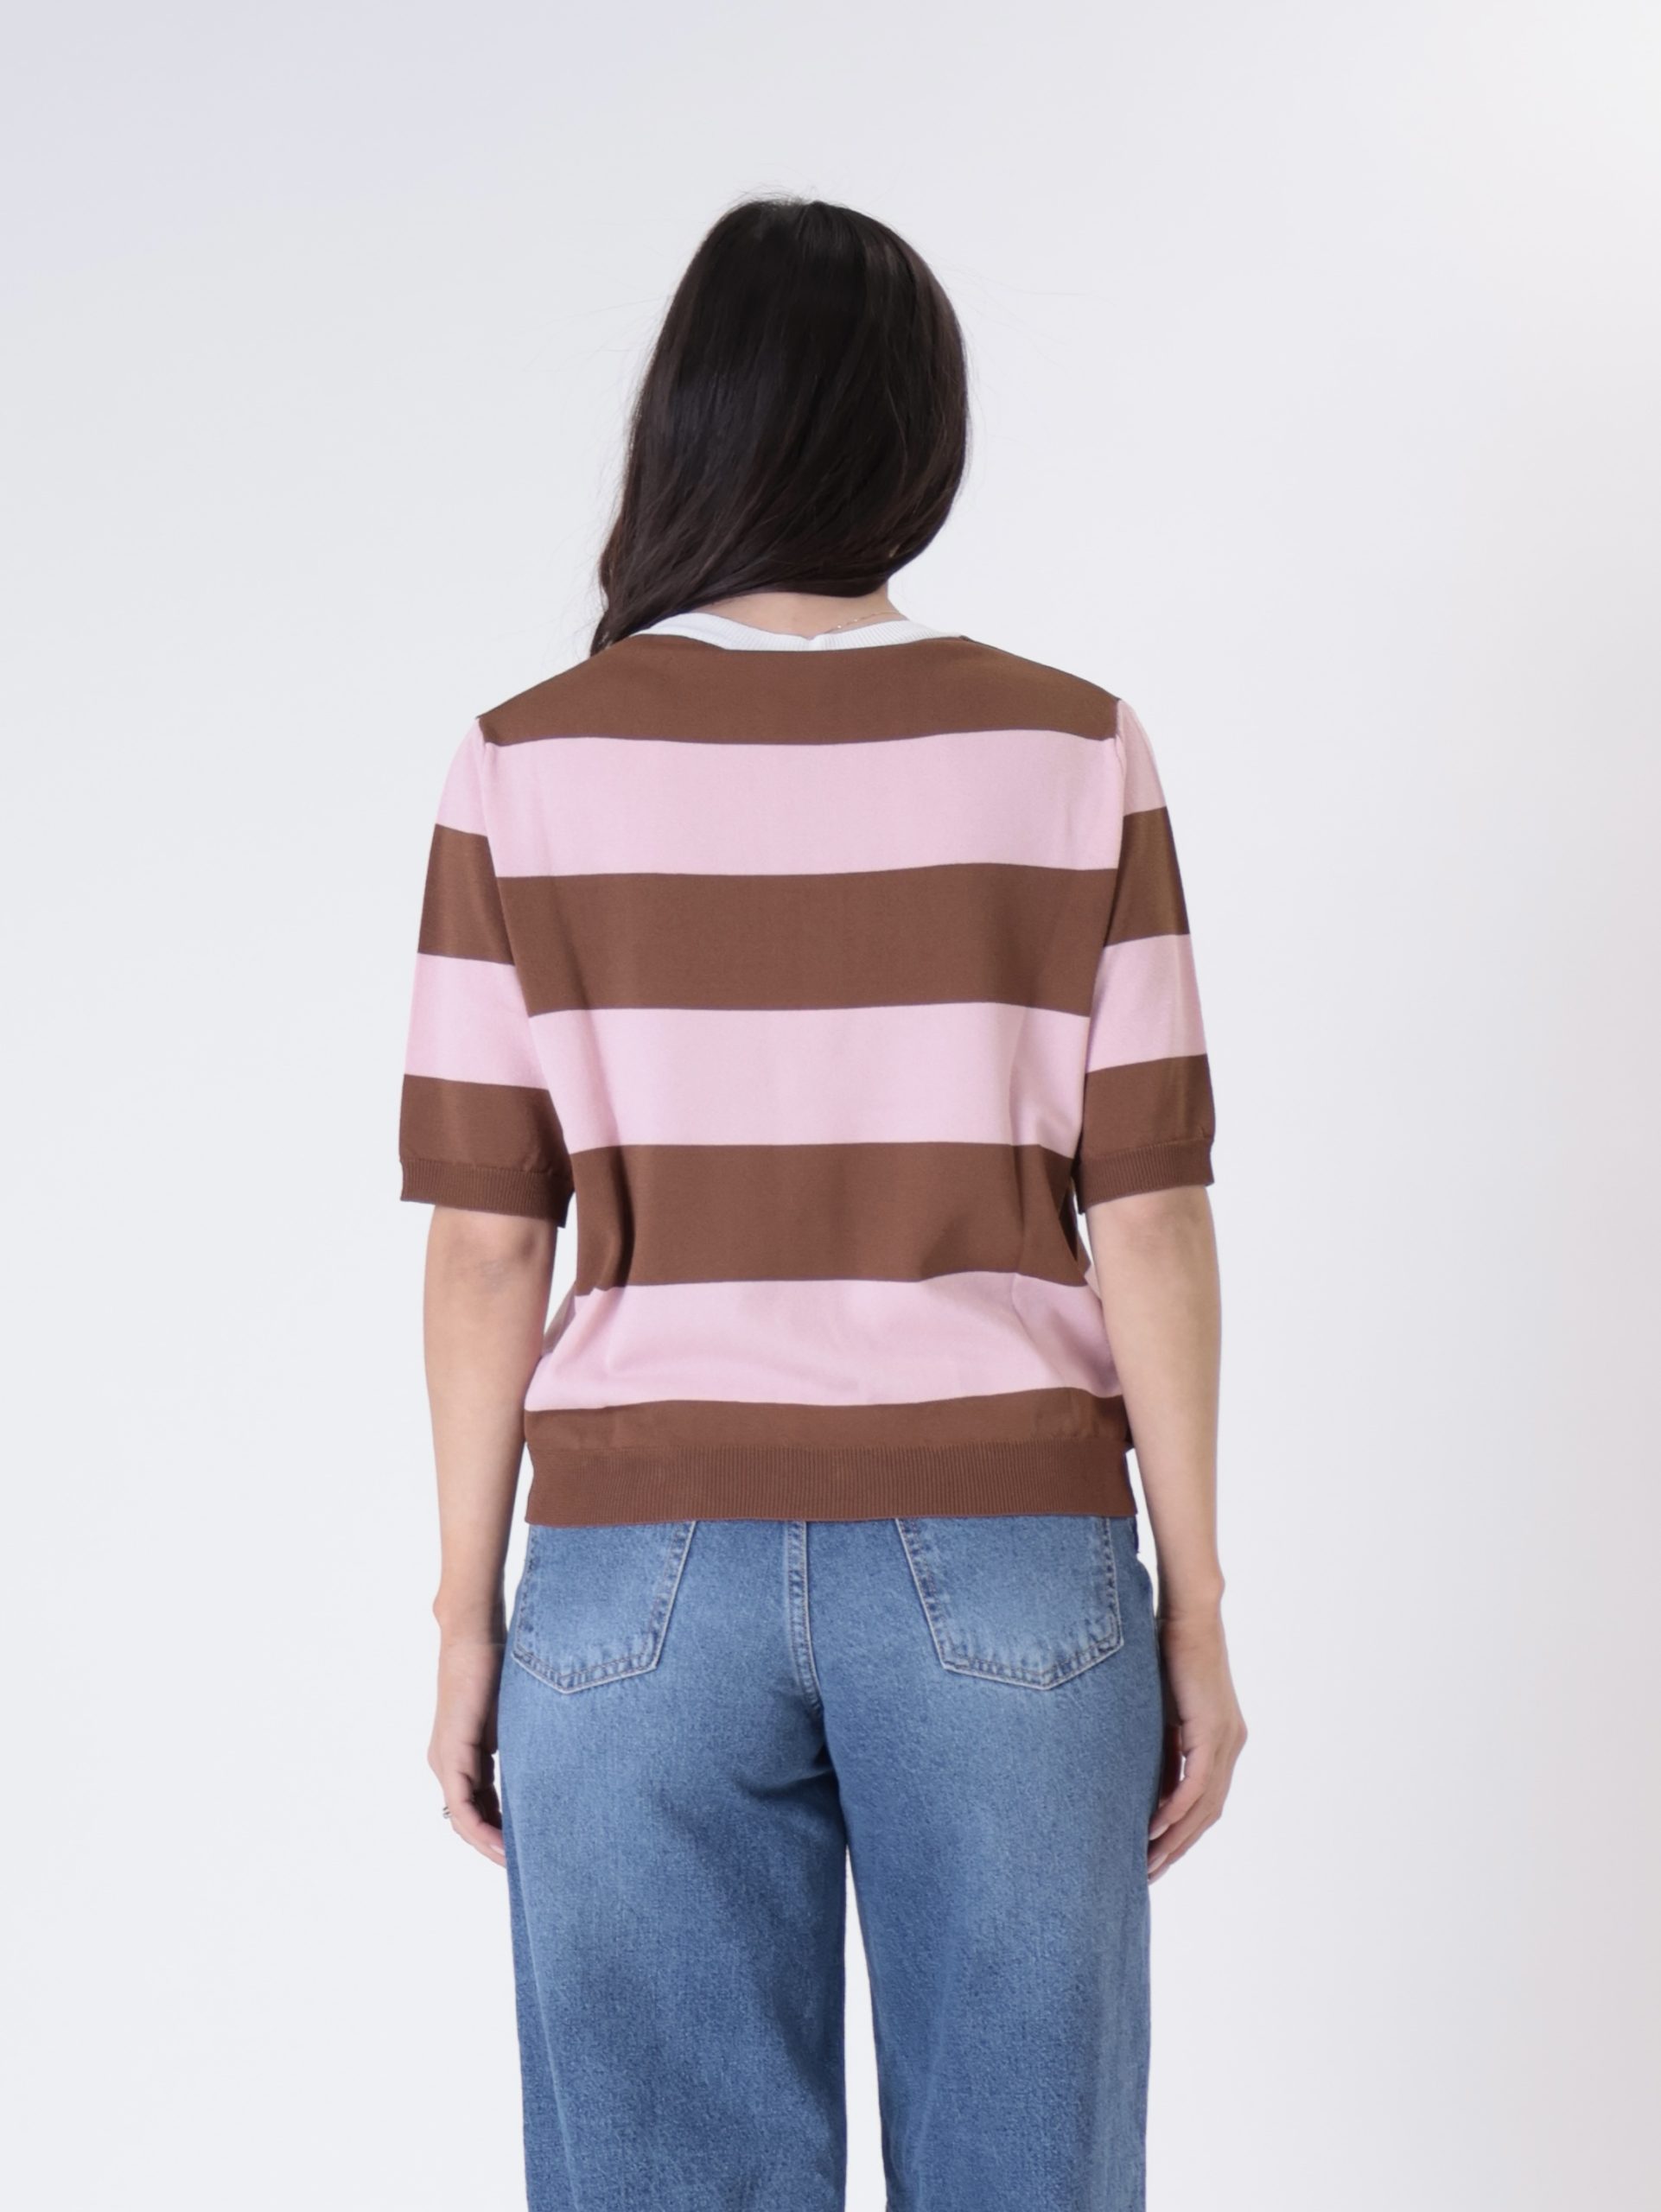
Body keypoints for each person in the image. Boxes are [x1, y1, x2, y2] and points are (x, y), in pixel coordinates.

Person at [398, 194, 1245, 2212]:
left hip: (633, 1583)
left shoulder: (525, 759)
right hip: (1013, 1561)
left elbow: (490, 1237)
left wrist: (462, 1612)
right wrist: (1197, 1607)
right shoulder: (1070, 747)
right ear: (915, 432)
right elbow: (1146, 1209)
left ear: (686, 422)